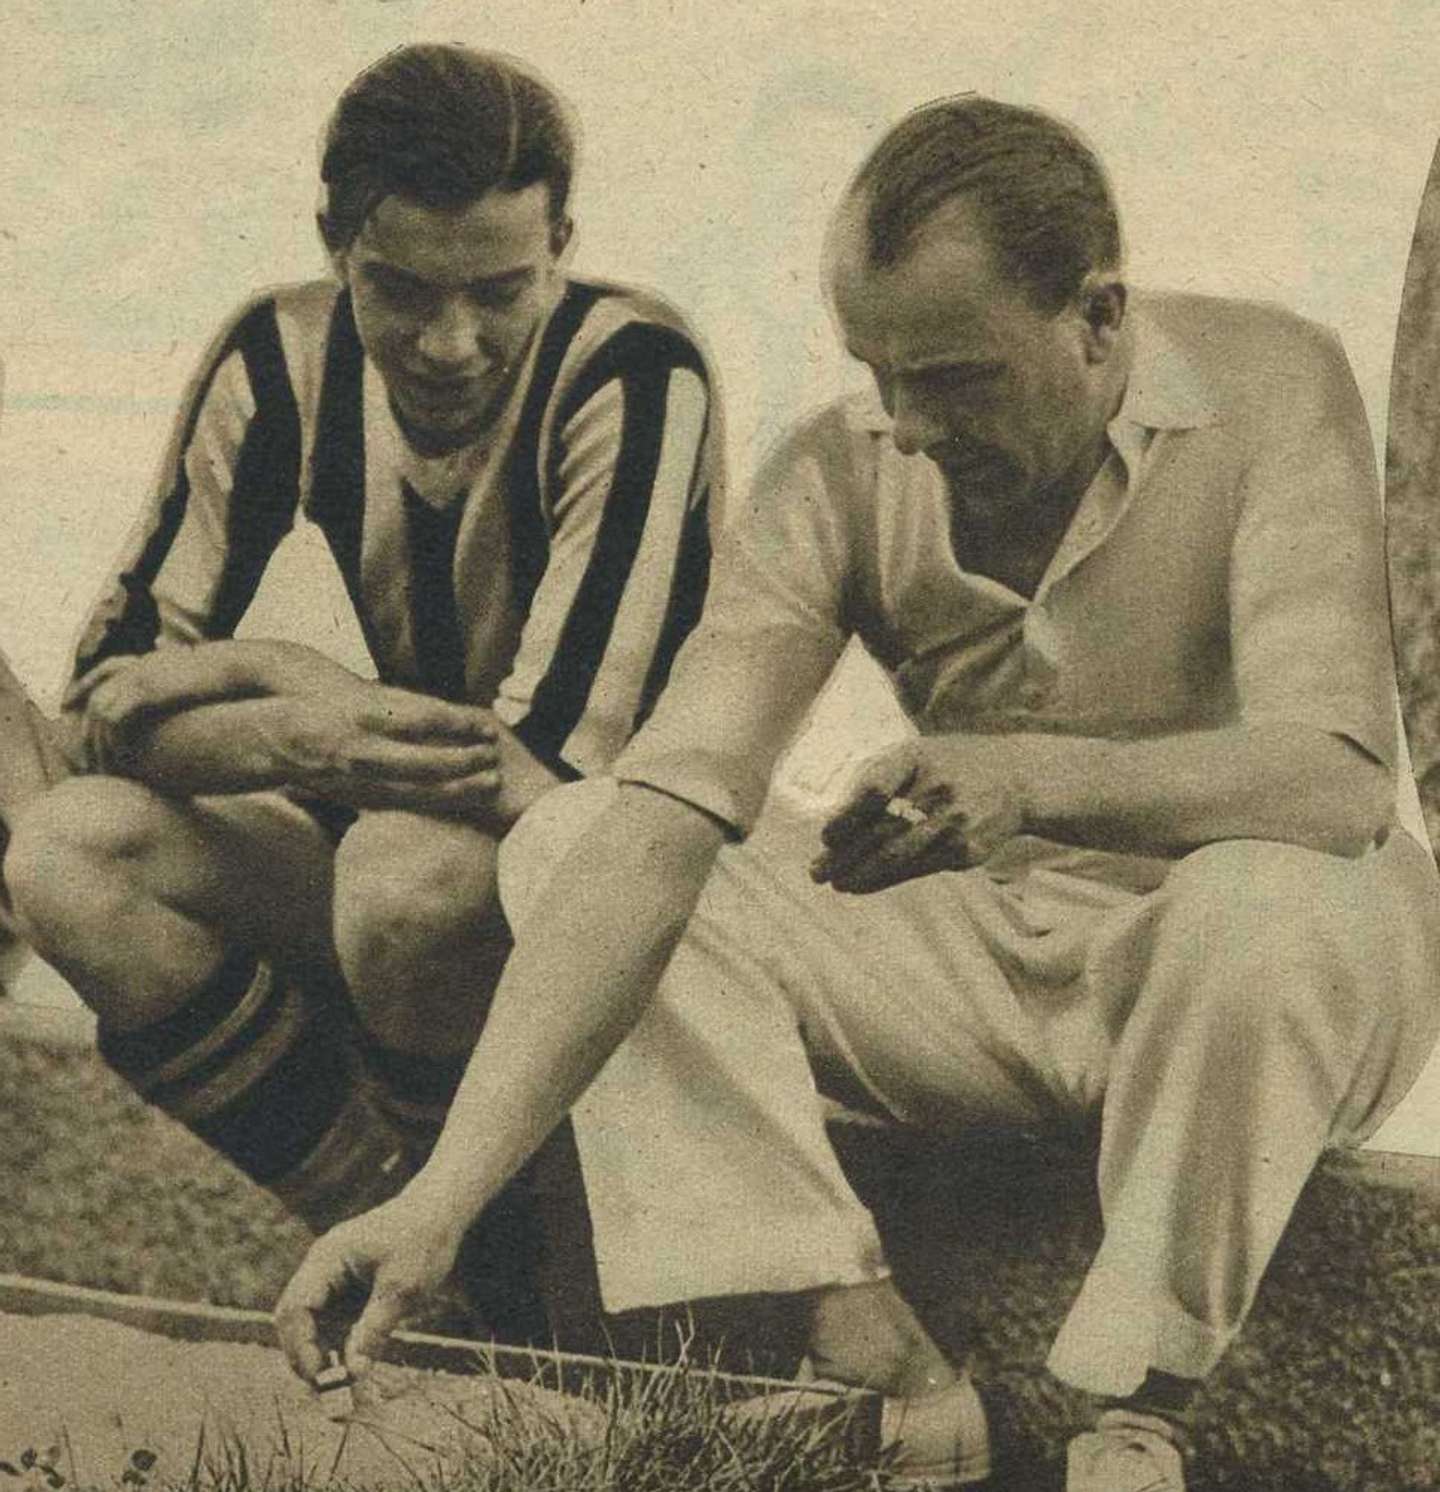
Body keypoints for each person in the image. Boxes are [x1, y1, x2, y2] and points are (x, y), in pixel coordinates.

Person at [273, 96, 1440, 1489]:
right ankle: (879, 1360)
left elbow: (1336, 784)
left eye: (955, 379)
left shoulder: (1272, 382)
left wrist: (1026, 777)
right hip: (991, 971)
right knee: (580, 836)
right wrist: (439, 1201)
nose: (908, 426)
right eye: (878, 374)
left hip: (1258, 984)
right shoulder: (840, 466)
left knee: (1260, 901)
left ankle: (1132, 1423)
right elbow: (658, 826)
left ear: (1098, 316)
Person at [3, 43, 720, 1334]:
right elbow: (106, 708)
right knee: (71, 853)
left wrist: (271, 681)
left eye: (500, 291)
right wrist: (301, 727)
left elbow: (538, 778)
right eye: (400, 290)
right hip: (413, 852)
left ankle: (496, 1262)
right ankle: (396, 1242)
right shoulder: (278, 353)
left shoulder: (633, 368)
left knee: (404, 878)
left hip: (632, 907)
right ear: (336, 246)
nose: (451, 344)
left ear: (562, 247)